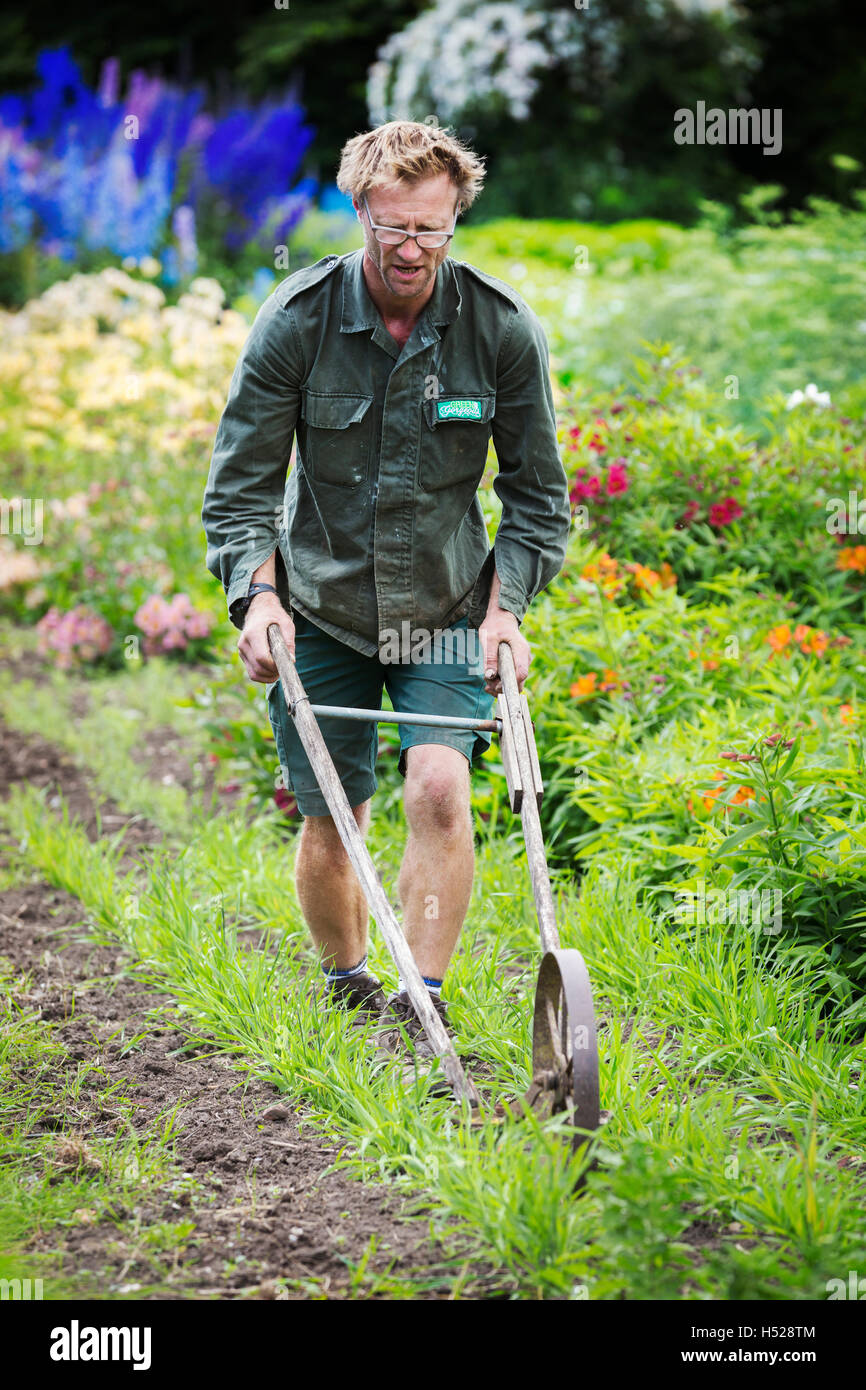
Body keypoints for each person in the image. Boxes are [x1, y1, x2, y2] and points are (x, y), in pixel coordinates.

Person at [201, 120, 570, 1064]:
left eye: (433, 231)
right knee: (336, 810)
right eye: (393, 228)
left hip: (447, 605)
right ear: (360, 210)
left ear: (456, 219)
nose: (411, 250)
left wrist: (506, 612)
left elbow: (536, 498)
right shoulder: (298, 320)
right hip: (320, 607)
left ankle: (424, 998)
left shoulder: (499, 329)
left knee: (442, 787)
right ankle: (347, 981)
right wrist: (259, 598)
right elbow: (241, 488)